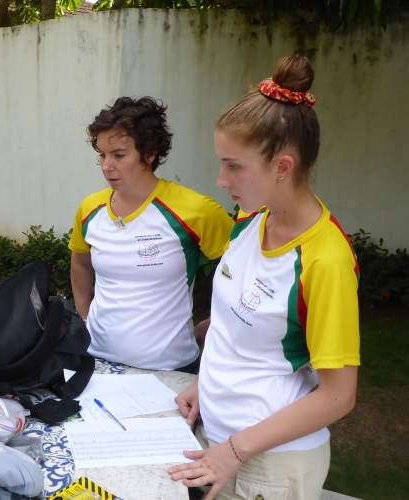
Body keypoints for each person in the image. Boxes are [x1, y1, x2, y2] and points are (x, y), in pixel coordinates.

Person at [168, 56, 360, 499]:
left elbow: (339, 396)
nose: (221, 180)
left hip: (267, 465)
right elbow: (234, 328)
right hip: (217, 439)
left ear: (282, 167)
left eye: (234, 166)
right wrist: (203, 386)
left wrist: (235, 450)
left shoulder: (324, 260)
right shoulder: (251, 218)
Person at [69, 96, 233, 373]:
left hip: (170, 368)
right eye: (102, 155)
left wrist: (219, 319)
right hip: (95, 360)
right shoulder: (90, 208)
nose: (107, 165)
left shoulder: (195, 210)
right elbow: (80, 262)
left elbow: (246, 267)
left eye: (119, 155)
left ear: (149, 154)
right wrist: (84, 316)